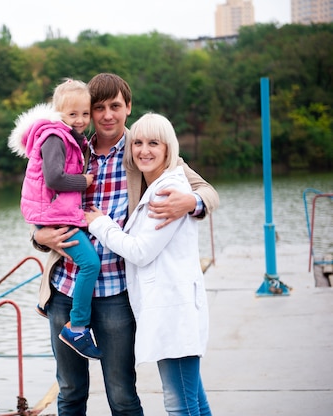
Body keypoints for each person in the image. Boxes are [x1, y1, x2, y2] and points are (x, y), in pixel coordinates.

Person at [32, 73, 219, 416]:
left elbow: (207, 190)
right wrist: (38, 236)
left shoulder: (143, 147)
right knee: (70, 392)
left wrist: (190, 202)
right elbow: (39, 198)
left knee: (121, 393)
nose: (106, 115)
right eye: (97, 108)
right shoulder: (71, 146)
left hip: (117, 293)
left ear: (127, 108)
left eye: (114, 106)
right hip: (67, 288)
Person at [85, 112, 213, 415]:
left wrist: (100, 224)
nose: (144, 150)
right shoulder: (158, 185)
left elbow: (141, 250)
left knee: (179, 404)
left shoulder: (168, 191)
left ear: (168, 148)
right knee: (193, 398)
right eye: (138, 143)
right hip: (170, 307)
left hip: (173, 310)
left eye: (153, 143)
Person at [8, 78, 102, 360]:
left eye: (85, 114)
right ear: (57, 111)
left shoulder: (68, 137)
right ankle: (77, 326)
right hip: (54, 215)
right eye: (72, 114)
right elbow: (54, 178)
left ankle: (45, 304)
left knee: (82, 259)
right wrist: (83, 182)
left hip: (54, 213)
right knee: (89, 263)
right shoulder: (54, 137)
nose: (80, 120)